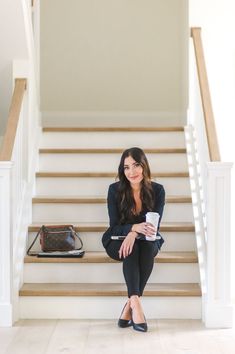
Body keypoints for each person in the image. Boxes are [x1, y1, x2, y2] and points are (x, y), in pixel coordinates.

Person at [102, 147, 165, 332]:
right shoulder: (114, 190)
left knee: (144, 247)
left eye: (136, 165)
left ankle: (132, 305)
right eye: (126, 167)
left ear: (144, 165)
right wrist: (131, 229)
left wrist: (134, 233)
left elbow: (154, 226)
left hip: (146, 238)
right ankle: (137, 307)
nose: (132, 172)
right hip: (116, 239)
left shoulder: (158, 190)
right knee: (132, 248)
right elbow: (114, 226)